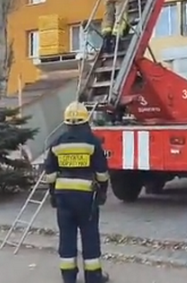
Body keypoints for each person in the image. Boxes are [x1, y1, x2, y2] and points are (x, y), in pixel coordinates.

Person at [43, 101, 110, 283]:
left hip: (63, 196)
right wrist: (103, 191)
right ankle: (93, 277)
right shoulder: (92, 142)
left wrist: (52, 193)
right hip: (86, 198)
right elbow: (102, 172)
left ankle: (69, 278)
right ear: (85, 120)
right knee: (89, 236)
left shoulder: (57, 142)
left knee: (66, 237)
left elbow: (49, 172)